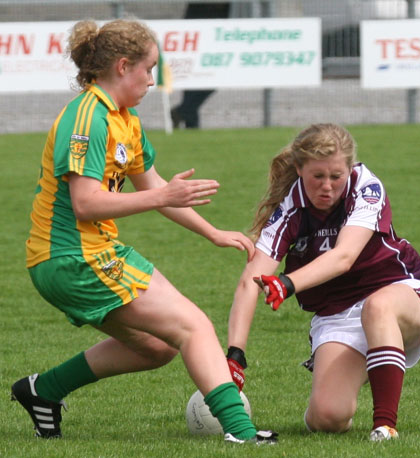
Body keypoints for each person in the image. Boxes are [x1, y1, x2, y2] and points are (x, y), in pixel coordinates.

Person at [10, 18, 277, 445]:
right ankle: (243, 434)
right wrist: (163, 196)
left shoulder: (124, 118)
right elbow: (86, 203)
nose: (153, 81)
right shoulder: (88, 118)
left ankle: (43, 390)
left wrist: (213, 233)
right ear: (122, 66)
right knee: (193, 325)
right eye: (148, 70)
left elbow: (153, 187)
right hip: (72, 258)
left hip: (89, 254)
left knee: (158, 347)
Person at [226, 123, 420, 441]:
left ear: (349, 168)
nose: (327, 186)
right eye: (317, 176)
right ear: (299, 168)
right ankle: (369, 365)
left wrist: (287, 283)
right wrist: (235, 355)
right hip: (337, 314)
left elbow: (345, 257)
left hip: (399, 290)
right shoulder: (289, 208)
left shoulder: (365, 186)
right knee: (327, 417)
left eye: (335, 176)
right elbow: (250, 282)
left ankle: (384, 426)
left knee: (377, 307)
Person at [170, 2, 231, 129]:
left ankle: (184, 112)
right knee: (193, 78)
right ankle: (188, 120)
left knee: (210, 79)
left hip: (215, 25)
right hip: (198, 24)